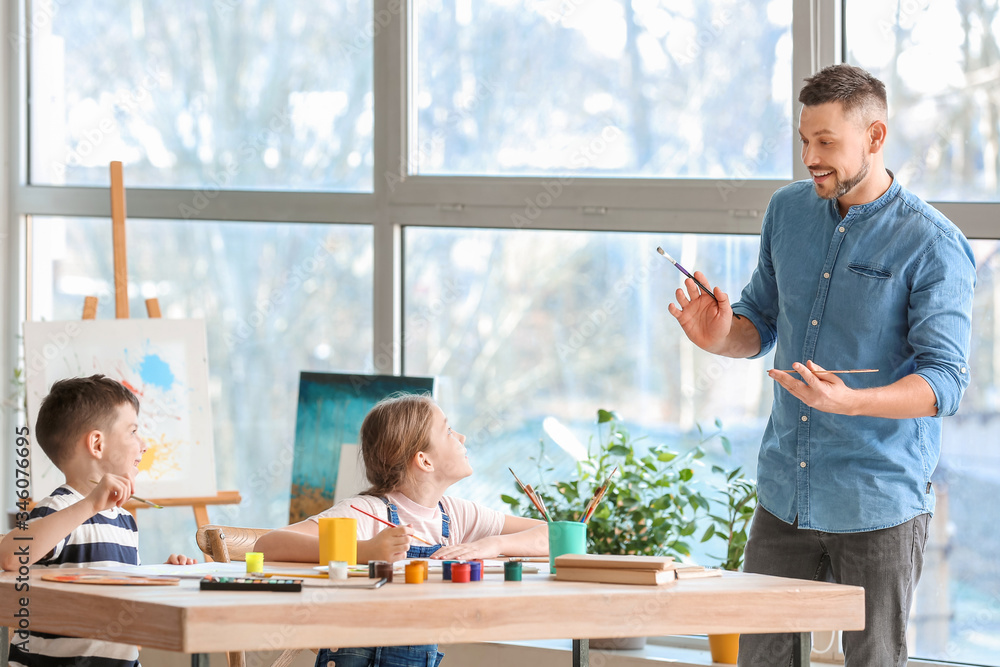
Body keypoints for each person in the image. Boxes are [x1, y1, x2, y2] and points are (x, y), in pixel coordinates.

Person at [667, 64, 975, 667]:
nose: (810, 156)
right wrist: (719, 335)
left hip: (877, 501)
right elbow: (757, 325)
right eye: (804, 139)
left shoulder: (933, 244)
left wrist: (852, 401)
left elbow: (946, 381)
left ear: (875, 137)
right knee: (758, 661)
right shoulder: (787, 212)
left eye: (826, 142)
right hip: (785, 493)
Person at [256, 393, 548, 667]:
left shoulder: (456, 514)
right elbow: (268, 545)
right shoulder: (369, 511)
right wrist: (364, 551)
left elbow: (552, 535)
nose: (462, 437)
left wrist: (492, 545)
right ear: (424, 460)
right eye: (448, 431)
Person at [0, 374, 198, 667]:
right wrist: (91, 504)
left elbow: (124, 598)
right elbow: (9, 556)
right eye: (133, 431)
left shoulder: (125, 521)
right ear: (96, 444)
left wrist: (161, 577)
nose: (143, 445)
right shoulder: (58, 510)